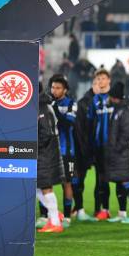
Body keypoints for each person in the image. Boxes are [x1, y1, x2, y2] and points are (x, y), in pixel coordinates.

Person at [105, 82, 129, 224]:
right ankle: (122, 213)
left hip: (124, 153)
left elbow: (128, 134)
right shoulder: (117, 110)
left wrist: (116, 148)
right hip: (117, 154)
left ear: (115, 97)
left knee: (127, 182)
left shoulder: (126, 111)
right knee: (119, 182)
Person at [37, 85, 66, 233]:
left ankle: (55, 221)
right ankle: (53, 215)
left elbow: (47, 134)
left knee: (45, 187)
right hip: (45, 153)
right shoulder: (43, 106)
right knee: (36, 186)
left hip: (45, 154)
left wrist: (33, 147)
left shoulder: (42, 108)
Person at [48, 75, 76, 228]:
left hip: (67, 150)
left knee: (67, 183)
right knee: (47, 182)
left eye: (58, 88)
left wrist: (55, 111)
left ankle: (66, 216)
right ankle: (48, 215)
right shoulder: (47, 104)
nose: (54, 90)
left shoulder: (71, 104)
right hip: (50, 151)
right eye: (53, 87)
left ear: (65, 90)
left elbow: (69, 123)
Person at [87, 69, 114, 220]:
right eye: (99, 79)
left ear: (108, 80)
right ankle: (99, 209)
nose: (101, 81)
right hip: (98, 146)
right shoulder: (95, 100)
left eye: (103, 78)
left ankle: (112, 209)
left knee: (113, 178)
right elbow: (91, 123)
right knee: (99, 178)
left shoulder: (114, 99)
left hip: (112, 146)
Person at [73, 80, 97, 222]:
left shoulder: (103, 102)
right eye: (96, 83)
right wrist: (84, 149)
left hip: (92, 148)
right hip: (82, 149)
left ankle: (81, 209)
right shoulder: (83, 103)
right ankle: (77, 209)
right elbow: (80, 130)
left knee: (83, 180)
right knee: (77, 179)